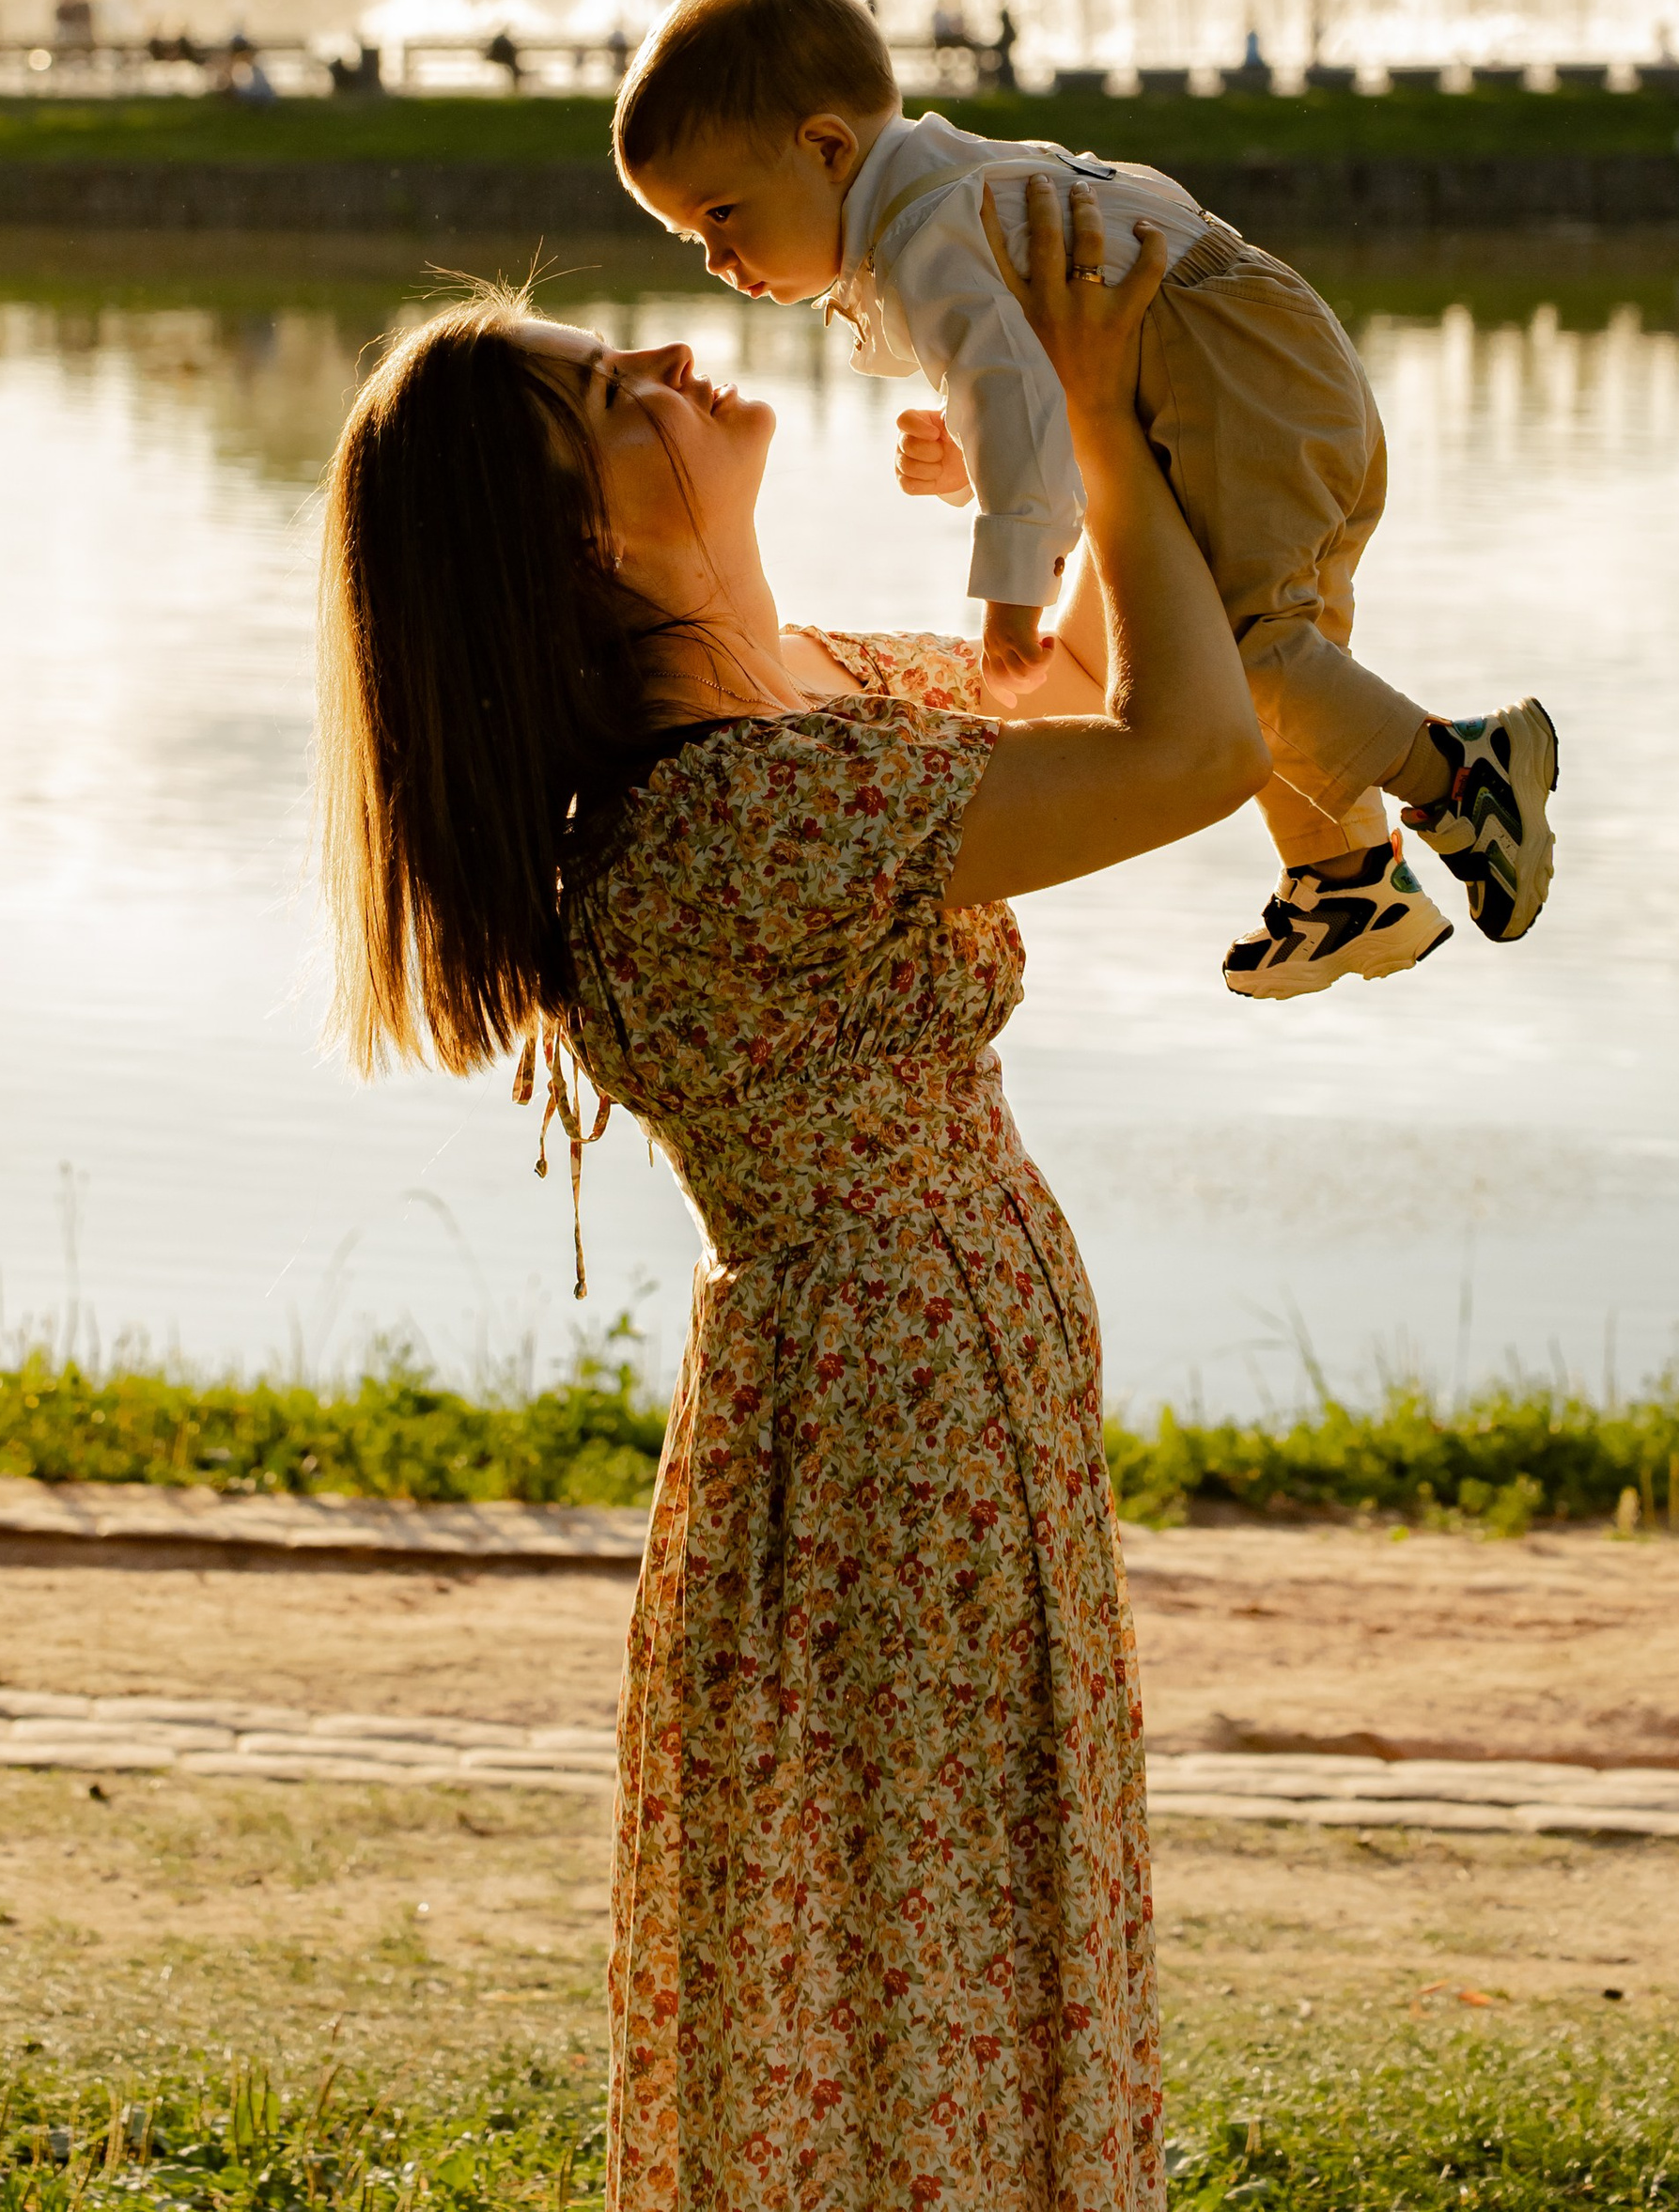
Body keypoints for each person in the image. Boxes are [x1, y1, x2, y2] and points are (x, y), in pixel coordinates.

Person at [317, 179, 1268, 2210]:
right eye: (609, 396)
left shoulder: (798, 700)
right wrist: (1092, 413)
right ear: (585, 538)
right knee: (918, 1958)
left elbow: (1089, 676)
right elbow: (1187, 751)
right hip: (891, 1437)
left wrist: (1041, 463)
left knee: (938, 1938)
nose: (666, 355)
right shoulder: (742, 811)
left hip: (924, 1396)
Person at [613, 0, 1558, 998]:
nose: (715, 259)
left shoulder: (926, 234)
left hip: (1230, 374)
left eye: (721, 215)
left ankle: (1463, 774)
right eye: (693, 238)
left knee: (1236, 648)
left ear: (827, 149)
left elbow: (1016, 395)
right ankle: (1344, 879)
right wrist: (978, 459)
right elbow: (1034, 385)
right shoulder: (961, 185)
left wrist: (1014, 588)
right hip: (1264, 357)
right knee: (1280, 644)